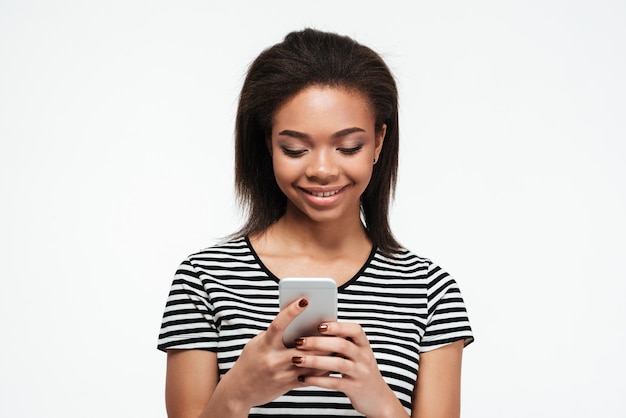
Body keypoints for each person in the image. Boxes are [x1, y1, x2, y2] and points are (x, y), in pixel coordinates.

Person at [158, 28, 474, 418]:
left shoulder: (430, 291)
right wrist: (237, 394)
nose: (322, 169)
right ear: (267, 145)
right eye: (295, 149)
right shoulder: (203, 279)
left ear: (378, 142)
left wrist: (379, 400)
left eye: (348, 147)